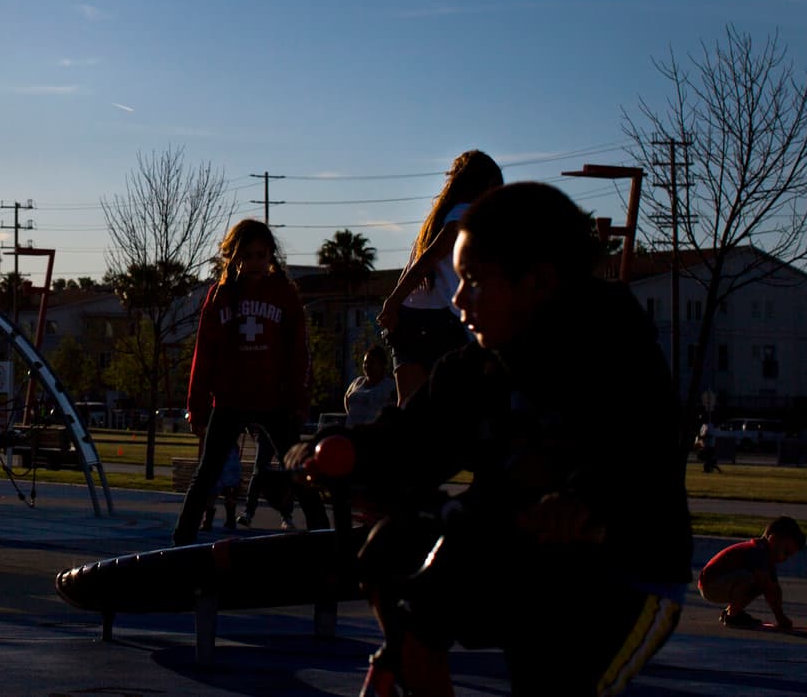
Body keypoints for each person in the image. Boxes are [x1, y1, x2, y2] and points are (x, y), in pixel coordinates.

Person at [293, 183, 693, 696]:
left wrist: (586, 501)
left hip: (623, 579)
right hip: (520, 558)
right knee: (393, 547)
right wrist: (333, 451)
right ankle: (416, 663)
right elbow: (409, 441)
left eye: (475, 281)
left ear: (540, 282)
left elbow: (639, 452)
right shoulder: (477, 368)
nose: (458, 301)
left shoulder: (616, 355)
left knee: (552, 677)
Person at [173, 218, 328, 546]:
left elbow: (300, 351)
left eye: (262, 255)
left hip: (274, 399)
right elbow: (204, 353)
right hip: (230, 400)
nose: (255, 263)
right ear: (232, 257)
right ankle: (181, 542)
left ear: (271, 256)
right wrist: (196, 407)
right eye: (247, 255)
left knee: (300, 469)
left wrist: (300, 399)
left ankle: (325, 537)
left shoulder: (284, 294)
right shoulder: (219, 296)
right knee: (206, 475)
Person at [377, 150, 503, 404]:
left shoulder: (437, 218)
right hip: (441, 320)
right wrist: (392, 301)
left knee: (410, 407)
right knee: (453, 405)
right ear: (487, 185)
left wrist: (395, 302)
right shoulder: (463, 215)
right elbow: (429, 259)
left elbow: (418, 263)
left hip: (410, 318)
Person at [698, 516, 806, 630]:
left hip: (721, 583)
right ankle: (733, 616)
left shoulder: (767, 558)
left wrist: (781, 615)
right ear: (773, 539)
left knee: (760, 584)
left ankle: (733, 611)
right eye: (786, 552)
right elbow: (767, 586)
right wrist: (780, 617)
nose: (785, 559)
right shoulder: (758, 551)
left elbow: (774, 589)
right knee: (753, 579)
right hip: (711, 584)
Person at [343, 345, 396, 427]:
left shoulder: (390, 386)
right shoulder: (357, 382)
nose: (367, 366)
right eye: (365, 362)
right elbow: (346, 398)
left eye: (372, 362)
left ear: (382, 364)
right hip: (351, 432)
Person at [200, 439, 242, 532]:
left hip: (218, 452)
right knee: (228, 489)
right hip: (230, 452)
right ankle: (230, 520)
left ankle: (207, 521)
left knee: (213, 489)